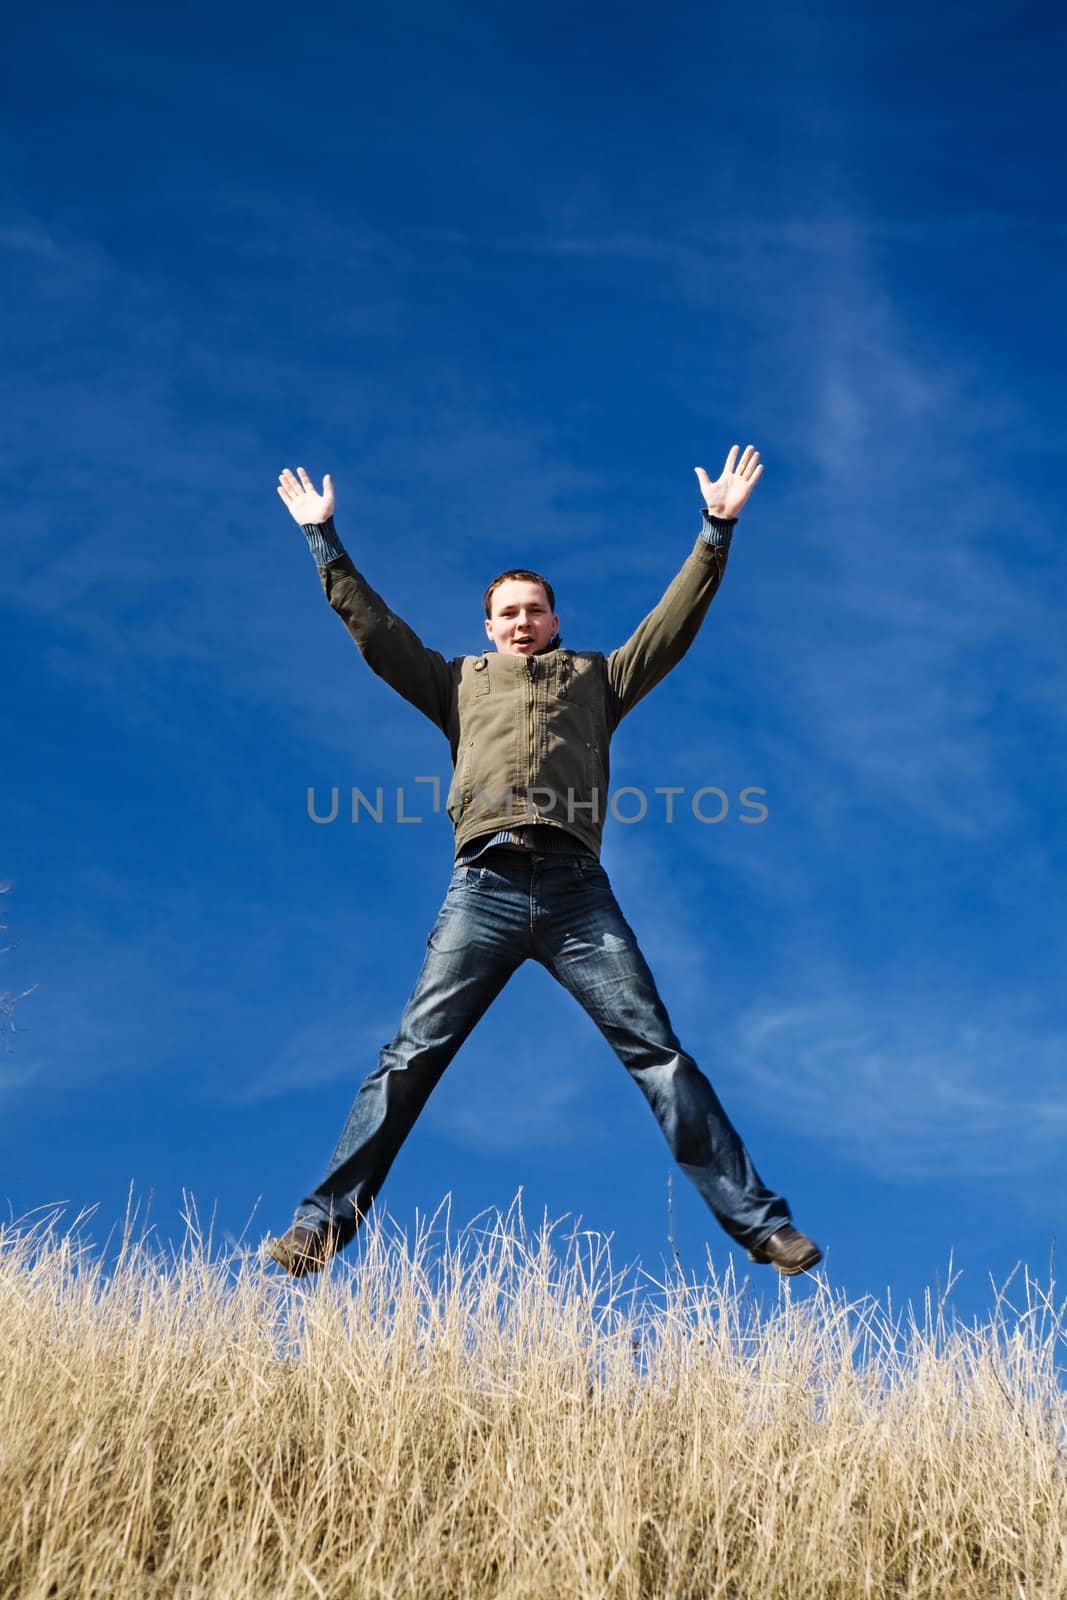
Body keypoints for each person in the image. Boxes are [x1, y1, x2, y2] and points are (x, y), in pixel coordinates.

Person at [266, 448, 822, 1278]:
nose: (522, 622)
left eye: (534, 611)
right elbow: (379, 637)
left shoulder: (597, 680)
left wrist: (715, 531)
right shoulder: (457, 683)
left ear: (554, 622)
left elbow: (668, 628)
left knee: (658, 1053)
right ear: (488, 628)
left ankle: (761, 1226)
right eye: (507, 614)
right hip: (483, 889)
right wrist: (324, 544)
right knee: (410, 1056)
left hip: (574, 895)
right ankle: (320, 1225)